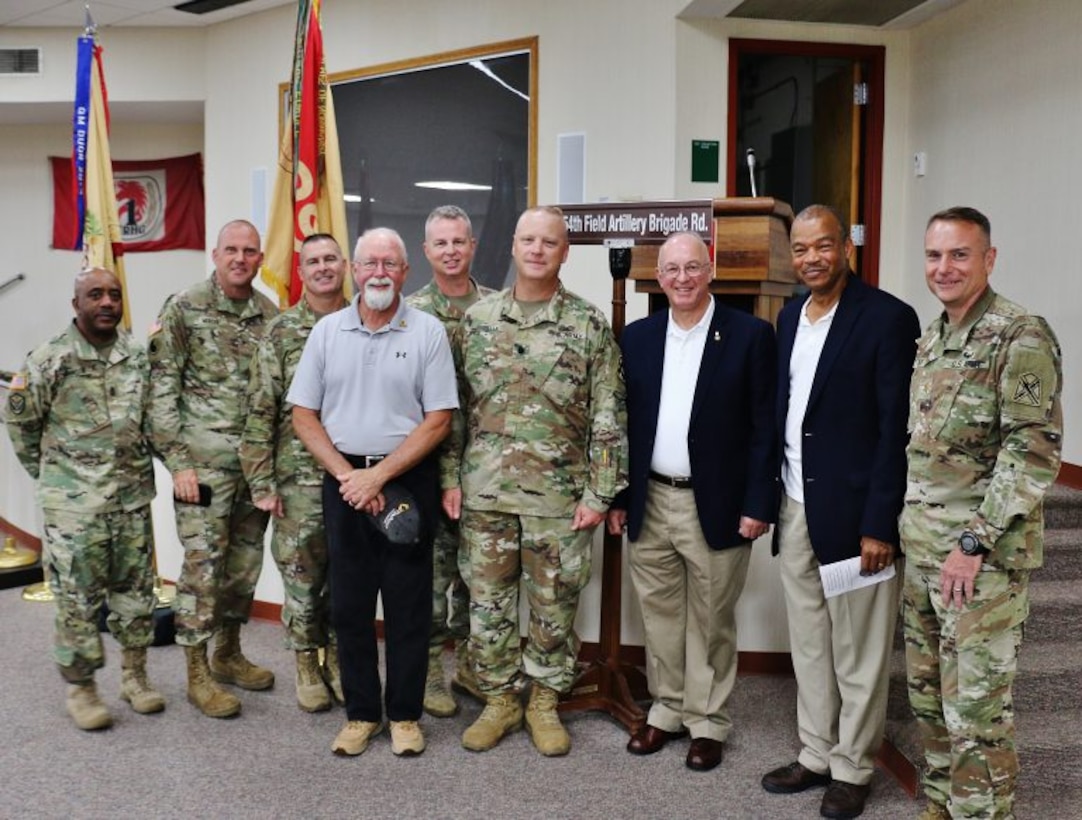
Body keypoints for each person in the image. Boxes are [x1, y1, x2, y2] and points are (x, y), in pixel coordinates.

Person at [446, 205, 627, 757]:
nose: (537, 249)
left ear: (564, 252)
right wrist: (449, 480)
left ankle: (544, 700)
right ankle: (500, 699)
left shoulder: (588, 324)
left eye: (549, 242)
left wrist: (600, 494)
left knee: (554, 605)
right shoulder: (477, 320)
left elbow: (608, 413)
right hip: (485, 492)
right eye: (528, 239)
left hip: (559, 496)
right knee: (488, 605)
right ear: (513, 246)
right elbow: (452, 411)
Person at [760, 205, 921, 820]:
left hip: (857, 515)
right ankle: (816, 753)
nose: (811, 260)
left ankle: (854, 767)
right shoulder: (789, 316)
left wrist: (880, 521)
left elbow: (894, 429)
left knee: (859, 649)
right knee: (810, 643)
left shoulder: (887, 318)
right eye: (800, 250)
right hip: (797, 503)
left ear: (845, 248)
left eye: (822, 247)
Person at [902, 207, 1062, 820]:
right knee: (928, 701)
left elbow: (1033, 453)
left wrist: (972, 543)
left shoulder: (1021, 336)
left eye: (960, 255)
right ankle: (942, 806)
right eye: (935, 256)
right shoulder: (933, 336)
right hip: (922, 551)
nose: (944, 268)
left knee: (976, 712)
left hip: (979, 563)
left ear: (989, 259)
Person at [606, 232, 776, 772]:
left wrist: (758, 502)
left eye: (692, 267)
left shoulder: (750, 336)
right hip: (651, 498)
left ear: (710, 271)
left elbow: (764, 429)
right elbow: (623, 427)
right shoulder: (637, 337)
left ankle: (708, 722)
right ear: (659, 277)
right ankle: (668, 709)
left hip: (719, 503)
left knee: (711, 618)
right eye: (672, 269)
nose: (682, 278)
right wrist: (621, 497)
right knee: (658, 616)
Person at [289, 227, 458, 758]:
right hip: (344, 483)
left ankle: (405, 715)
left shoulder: (427, 332)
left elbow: (438, 421)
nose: (379, 272)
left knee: (410, 606)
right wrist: (349, 476)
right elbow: (303, 415)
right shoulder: (326, 333)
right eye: (370, 263)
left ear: (405, 272)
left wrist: (377, 476)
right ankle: (362, 714)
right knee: (349, 606)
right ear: (353, 271)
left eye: (390, 262)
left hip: (407, 482)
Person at [4, 268, 164, 729]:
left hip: (131, 501)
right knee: (77, 599)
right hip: (74, 508)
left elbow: (152, 419)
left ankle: (135, 676)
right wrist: (55, 479)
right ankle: (82, 687)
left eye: (114, 294)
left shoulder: (137, 355)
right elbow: (21, 426)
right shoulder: (49, 359)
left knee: (136, 596)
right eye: (95, 295)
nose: (107, 302)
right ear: (77, 304)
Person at [147, 219, 279, 719]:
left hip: (253, 469)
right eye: (231, 250)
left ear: (260, 258)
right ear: (215, 253)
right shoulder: (185, 308)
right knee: (203, 566)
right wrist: (177, 463)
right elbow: (161, 392)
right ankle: (197, 672)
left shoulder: (269, 315)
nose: (240, 259)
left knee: (244, 566)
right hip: (201, 470)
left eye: (249, 251)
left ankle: (227, 651)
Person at [239, 233, 349, 712]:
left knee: (350, 575)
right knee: (303, 575)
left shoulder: (364, 322)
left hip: (355, 476)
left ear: (344, 265)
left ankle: (341, 660)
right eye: (313, 261)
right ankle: (307, 661)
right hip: (298, 478)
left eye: (330, 258)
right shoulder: (281, 333)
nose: (323, 267)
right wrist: (261, 483)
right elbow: (259, 411)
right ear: (300, 272)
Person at [406, 205, 493, 717]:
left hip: (486, 469)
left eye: (459, 241)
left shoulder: (496, 307)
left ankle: (470, 667)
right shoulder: (411, 313)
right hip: (429, 466)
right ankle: (430, 676)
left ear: (473, 245)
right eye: (441, 243)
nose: (451, 251)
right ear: (426, 251)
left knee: (479, 580)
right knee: (432, 577)